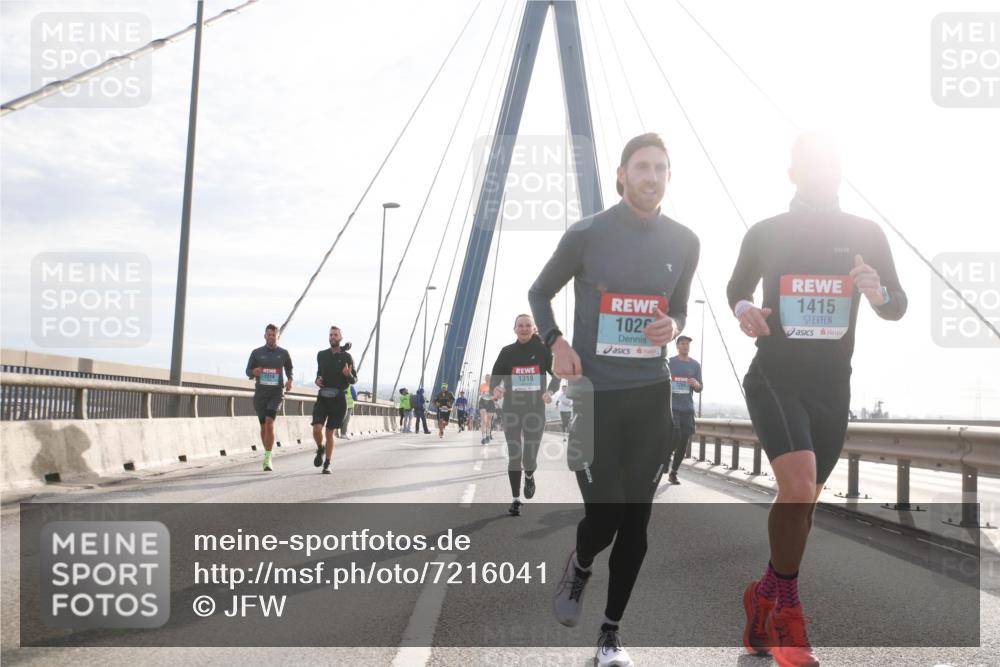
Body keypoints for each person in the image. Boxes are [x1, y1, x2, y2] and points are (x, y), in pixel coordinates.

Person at [728, 131, 906, 666]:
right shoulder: (767, 232)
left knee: (803, 500)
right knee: (800, 482)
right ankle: (788, 613)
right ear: (793, 174)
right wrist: (744, 311)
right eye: (812, 166)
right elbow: (736, 285)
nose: (824, 174)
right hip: (775, 378)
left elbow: (898, 305)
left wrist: (877, 292)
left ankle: (762, 594)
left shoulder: (865, 233)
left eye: (832, 166)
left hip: (833, 390)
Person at [529, 133, 699, 667]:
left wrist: (675, 324)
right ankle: (580, 563)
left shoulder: (686, 242)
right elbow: (539, 291)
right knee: (604, 518)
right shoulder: (586, 234)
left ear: (669, 177)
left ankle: (610, 635)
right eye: (642, 167)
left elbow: (680, 311)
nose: (652, 176)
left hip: (650, 397)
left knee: (637, 521)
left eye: (662, 168)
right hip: (593, 399)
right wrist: (556, 342)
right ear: (622, 174)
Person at [490, 313, 561, 517]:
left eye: (527, 325)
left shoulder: (543, 350)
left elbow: (556, 376)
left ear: (533, 328)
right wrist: (496, 390)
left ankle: (529, 474)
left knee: (529, 458)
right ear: (514, 329)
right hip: (512, 410)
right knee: (514, 455)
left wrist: (550, 392)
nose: (523, 328)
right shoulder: (507, 352)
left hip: (535, 410)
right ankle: (515, 499)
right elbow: (495, 378)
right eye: (520, 325)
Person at [245, 323, 293, 472]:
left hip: (276, 393)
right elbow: (247, 371)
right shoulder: (256, 353)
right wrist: (254, 371)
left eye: (274, 335)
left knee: (269, 421)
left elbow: (289, 368)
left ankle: (267, 457)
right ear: (265, 336)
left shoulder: (283, 353)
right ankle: (267, 451)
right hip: (261, 394)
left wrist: (290, 379)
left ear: (278, 337)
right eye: (269, 334)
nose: (271, 337)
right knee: (263, 426)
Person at [312, 327, 357, 475]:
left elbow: (354, 380)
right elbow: (319, 374)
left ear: (340, 338)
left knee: (329, 433)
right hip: (323, 397)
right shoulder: (321, 355)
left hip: (339, 399)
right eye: (330, 335)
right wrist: (317, 380)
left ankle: (327, 463)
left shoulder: (347, 357)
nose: (332, 337)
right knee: (317, 429)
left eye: (335, 335)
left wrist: (348, 375)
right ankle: (320, 449)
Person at [666, 335, 702, 484]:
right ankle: (665, 455)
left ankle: (673, 472)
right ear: (677, 345)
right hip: (672, 407)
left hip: (687, 408)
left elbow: (700, 387)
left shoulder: (695, 365)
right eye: (682, 343)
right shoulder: (670, 363)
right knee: (676, 434)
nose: (685, 346)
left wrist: (696, 384)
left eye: (687, 344)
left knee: (683, 441)